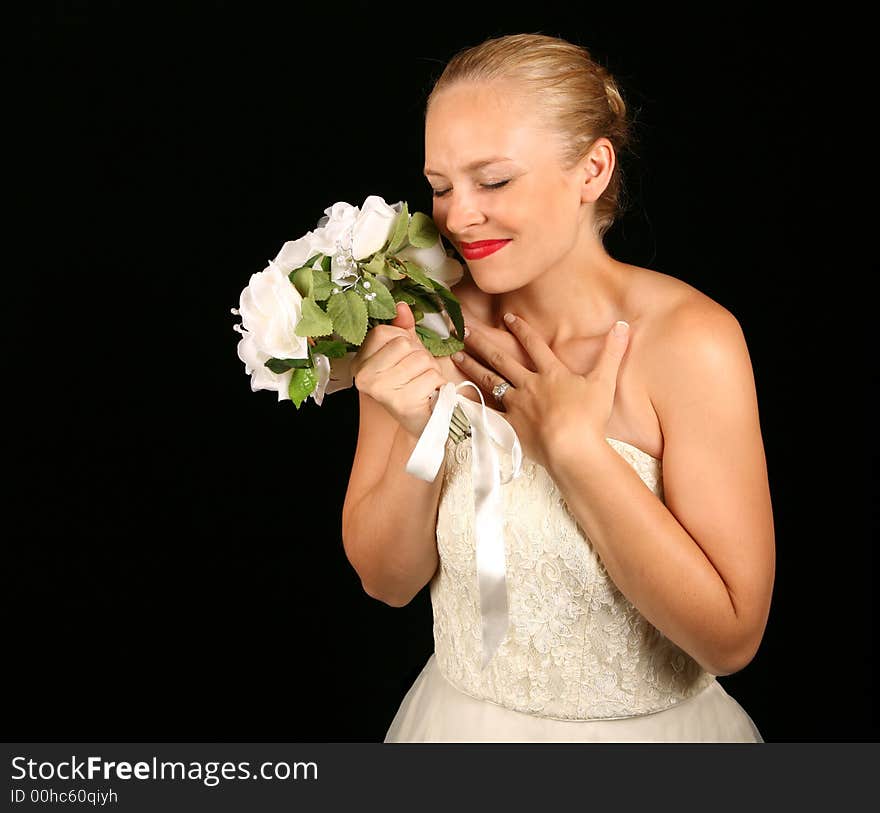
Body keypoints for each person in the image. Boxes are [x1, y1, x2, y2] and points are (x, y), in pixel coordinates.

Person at [342, 32, 774, 742]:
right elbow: (386, 582)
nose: (457, 216)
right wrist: (422, 427)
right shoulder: (417, 319)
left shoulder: (694, 342)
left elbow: (730, 639)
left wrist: (576, 448)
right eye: (441, 185)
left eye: (494, 180)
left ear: (592, 169)